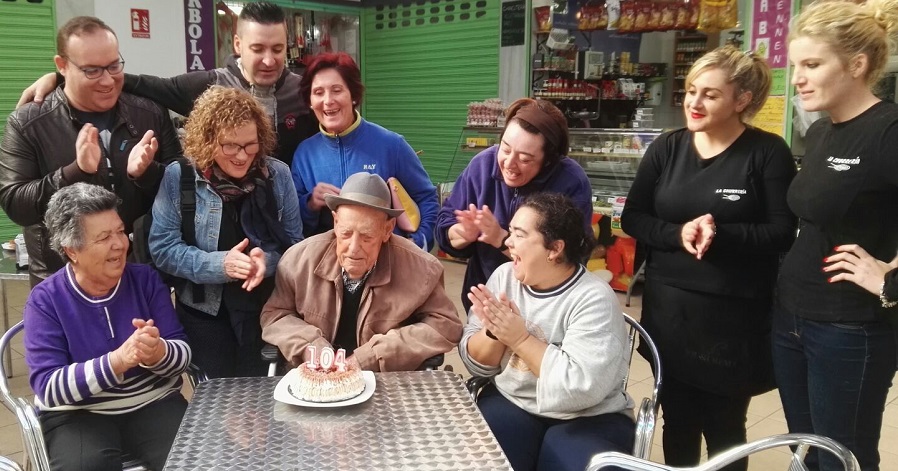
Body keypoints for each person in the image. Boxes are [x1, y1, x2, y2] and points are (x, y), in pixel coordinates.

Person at [620, 46, 796, 470]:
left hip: (733, 316)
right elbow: (634, 217)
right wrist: (678, 233)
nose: (694, 103)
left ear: (742, 100)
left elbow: (782, 231)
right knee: (677, 420)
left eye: (710, 94)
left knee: (725, 425)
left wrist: (721, 233)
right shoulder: (667, 147)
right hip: (670, 312)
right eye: (691, 90)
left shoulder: (767, 152)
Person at [776, 1, 898, 469]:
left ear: (857, 64)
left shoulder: (888, 131)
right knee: (805, 451)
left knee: (843, 459)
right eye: (796, 66)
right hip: (792, 316)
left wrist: (889, 280)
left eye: (812, 65)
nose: (798, 79)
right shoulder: (823, 131)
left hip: (849, 328)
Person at [18, 2, 316, 166]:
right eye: (258, 49)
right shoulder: (208, 85)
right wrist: (62, 77)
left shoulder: (304, 90)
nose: (269, 60)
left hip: (287, 214)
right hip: (221, 220)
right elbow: (141, 84)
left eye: (278, 49)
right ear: (238, 44)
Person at [0, 16, 181, 286]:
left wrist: (147, 173)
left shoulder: (149, 114)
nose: (107, 81)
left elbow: (183, 189)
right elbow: (16, 205)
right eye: (92, 71)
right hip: (63, 283)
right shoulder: (29, 123)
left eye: (113, 66)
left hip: (139, 277)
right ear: (62, 66)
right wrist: (75, 173)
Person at [459, 192, 634, 471]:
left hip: (588, 415)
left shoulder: (593, 298)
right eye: (510, 232)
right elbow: (476, 365)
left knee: (568, 460)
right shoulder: (505, 277)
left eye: (519, 234)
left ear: (554, 249)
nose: (508, 241)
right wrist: (493, 332)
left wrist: (519, 338)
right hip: (513, 401)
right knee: (484, 460)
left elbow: (580, 389)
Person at [24, 183, 192, 471]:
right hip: (78, 414)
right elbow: (48, 386)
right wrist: (117, 361)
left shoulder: (145, 280)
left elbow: (183, 355)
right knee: (87, 466)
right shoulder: (46, 300)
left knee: (193, 461)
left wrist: (158, 353)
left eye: (120, 231)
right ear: (72, 250)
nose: (120, 244)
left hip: (153, 403)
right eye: (104, 238)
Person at [149, 85, 302, 378]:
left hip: (266, 309)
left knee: (263, 395)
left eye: (250, 145)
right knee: (215, 396)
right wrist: (221, 265)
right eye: (230, 146)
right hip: (204, 315)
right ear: (208, 141)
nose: (242, 156)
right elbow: (163, 249)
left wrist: (266, 262)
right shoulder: (180, 176)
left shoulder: (278, 175)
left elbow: (296, 246)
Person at [261, 172, 462, 372]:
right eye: (346, 233)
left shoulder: (423, 269)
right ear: (335, 222)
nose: (354, 248)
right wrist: (311, 345)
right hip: (315, 377)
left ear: (388, 229)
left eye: (367, 236)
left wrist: (372, 356)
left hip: (385, 380)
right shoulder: (298, 260)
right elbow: (276, 315)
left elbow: (446, 325)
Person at [435, 98, 593, 312]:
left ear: (548, 159)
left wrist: (501, 239)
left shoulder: (571, 182)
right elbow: (445, 226)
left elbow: (571, 260)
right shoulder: (482, 166)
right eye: (505, 149)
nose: (509, 164)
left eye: (525, 159)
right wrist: (462, 233)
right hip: (485, 300)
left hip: (547, 307)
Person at [291, 52, 439, 250]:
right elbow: (293, 224)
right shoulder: (304, 154)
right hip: (329, 262)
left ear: (353, 95)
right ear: (310, 101)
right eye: (318, 92)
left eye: (337, 90)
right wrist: (310, 204)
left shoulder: (391, 145)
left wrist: (417, 243)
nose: (328, 100)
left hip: (388, 260)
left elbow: (427, 199)